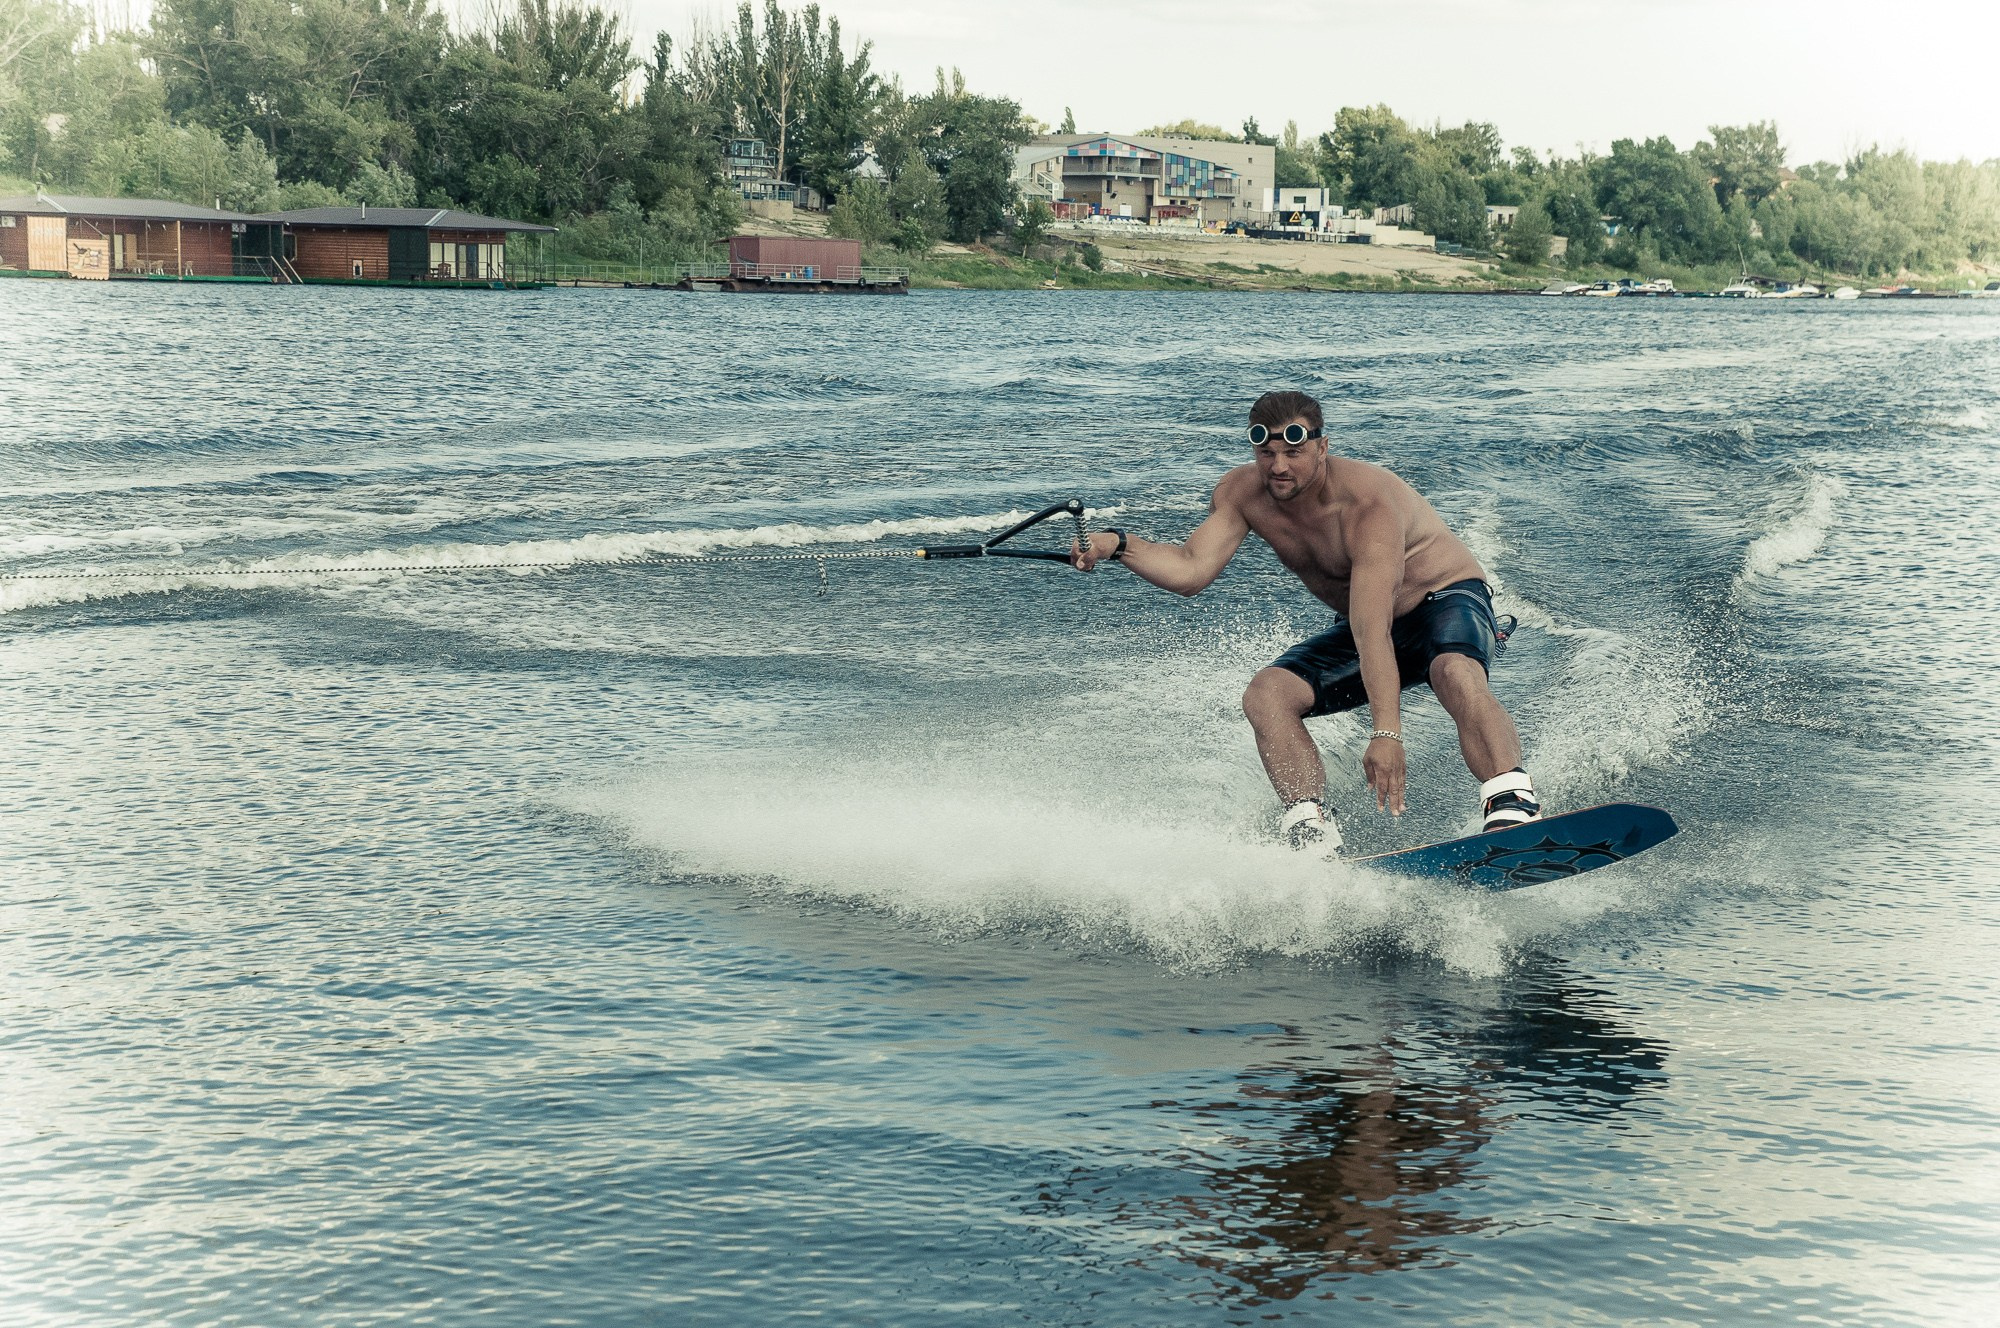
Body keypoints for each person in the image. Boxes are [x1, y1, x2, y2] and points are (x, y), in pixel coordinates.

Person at [1069, 389, 1539, 851]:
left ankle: (1511, 802)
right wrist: (1117, 544)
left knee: (1453, 670)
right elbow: (1192, 570)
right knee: (1268, 694)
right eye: (1266, 451)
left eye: (1293, 452)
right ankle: (1310, 829)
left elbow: (1371, 631)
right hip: (1364, 620)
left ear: (1322, 447)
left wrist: (1387, 734)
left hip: (1445, 600)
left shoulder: (1366, 503)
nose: (1278, 466)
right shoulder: (1243, 494)